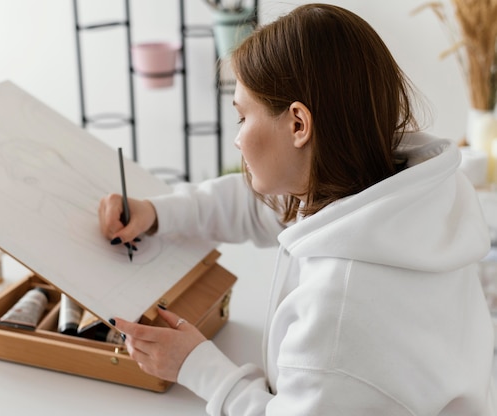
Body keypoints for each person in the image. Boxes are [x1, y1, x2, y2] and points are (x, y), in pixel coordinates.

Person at [98, 3, 496, 415]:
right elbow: (267, 208)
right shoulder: (391, 197)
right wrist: (158, 213)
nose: (237, 141)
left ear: (298, 124)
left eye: (241, 118)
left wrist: (196, 367)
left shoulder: (339, 314)